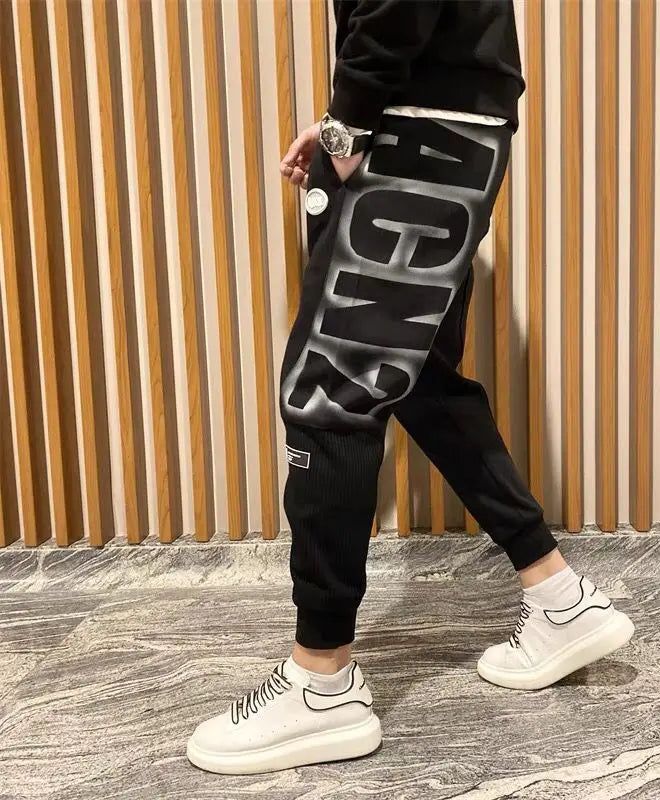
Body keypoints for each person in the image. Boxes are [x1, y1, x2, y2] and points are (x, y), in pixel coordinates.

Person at [186, 0, 634, 775]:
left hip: (420, 127)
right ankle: (559, 599)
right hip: (447, 122)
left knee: (330, 392)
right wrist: (349, 118)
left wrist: (352, 123)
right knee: (418, 379)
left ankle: (321, 681)